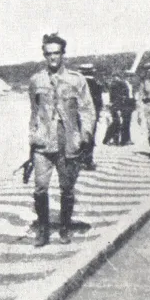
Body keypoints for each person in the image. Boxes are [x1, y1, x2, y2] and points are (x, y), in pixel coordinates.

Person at [28, 33, 96, 247]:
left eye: (56, 53)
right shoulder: (36, 80)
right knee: (40, 188)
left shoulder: (77, 79)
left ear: (63, 54)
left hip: (68, 142)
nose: (53, 58)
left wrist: (85, 135)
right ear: (44, 55)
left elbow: (87, 110)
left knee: (66, 188)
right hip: (43, 143)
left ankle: (65, 226)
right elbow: (34, 110)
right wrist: (32, 134)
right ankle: (43, 228)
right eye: (48, 54)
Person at [78, 64, 103, 170]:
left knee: (78, 136)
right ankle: (88, 161)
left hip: (78, 113)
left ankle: (78, 161)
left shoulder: (77, 84)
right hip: (91, 114)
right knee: (90, 137)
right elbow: (98, 101)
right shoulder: (96, 84)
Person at [103, 73, 133, 145]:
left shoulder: (119, 85)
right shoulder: (117, 85)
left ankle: (115, 140)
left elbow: (123, 96)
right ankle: (114, 140)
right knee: (117, 123)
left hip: (119, 105)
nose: (115, 79)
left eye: (116, 77)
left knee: (117, 123)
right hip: (117, 106)